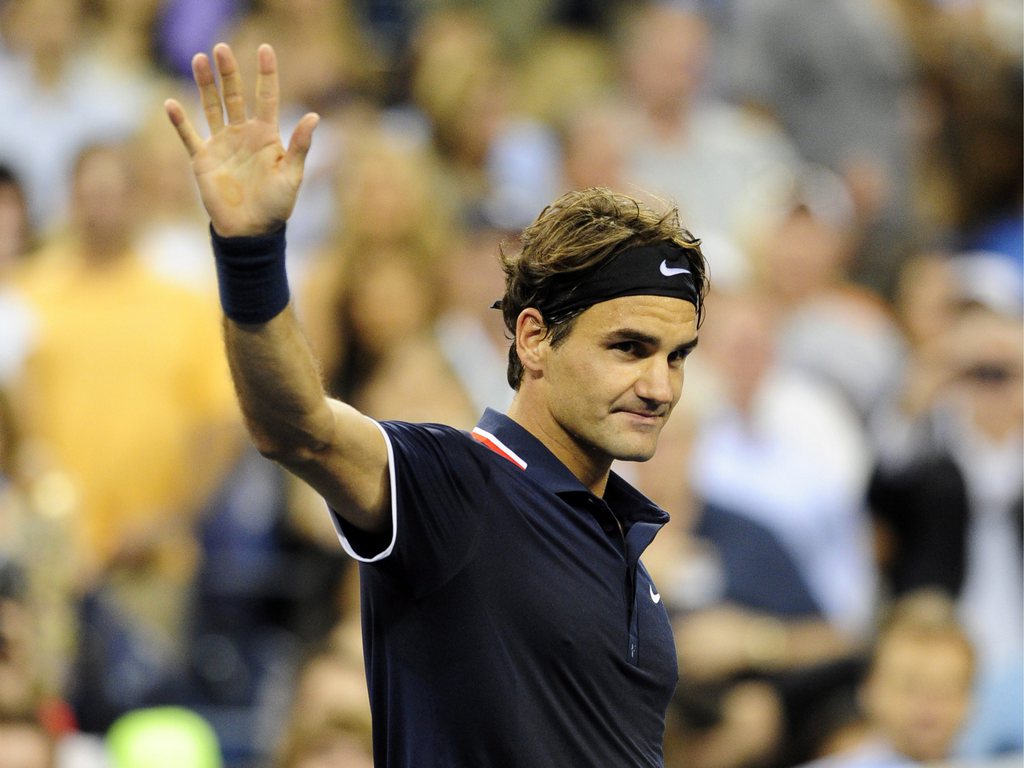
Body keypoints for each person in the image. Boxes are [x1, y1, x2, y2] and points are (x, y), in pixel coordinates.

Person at [165, 43, 708, 766]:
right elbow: (299, 429)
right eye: (630, 348)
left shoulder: (626, 554)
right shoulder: (456, 487)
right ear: (535, 338)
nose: (660, 386)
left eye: (678, 357)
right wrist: (252, 255)